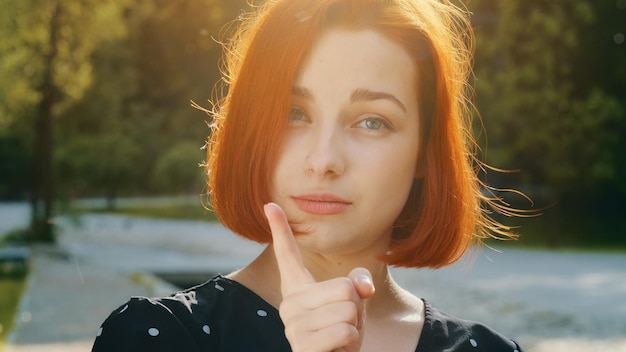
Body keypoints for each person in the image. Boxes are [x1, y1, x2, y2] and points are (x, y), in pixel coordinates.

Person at [92, 0, 525, 351]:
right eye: (294, 114)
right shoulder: (157, 338)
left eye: (372, 121)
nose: (323, 160)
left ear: (422, 153)